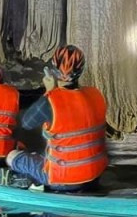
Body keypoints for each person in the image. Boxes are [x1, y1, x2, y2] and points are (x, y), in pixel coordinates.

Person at [6, 45, 108, 191]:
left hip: (62, 180)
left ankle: (29, 184)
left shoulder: (50, 101)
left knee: (12, 155)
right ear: (81, 70)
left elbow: (26, 122)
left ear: (54, 70)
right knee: (41, 155)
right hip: (94, 176)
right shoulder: (96, 95)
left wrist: (49, 92)